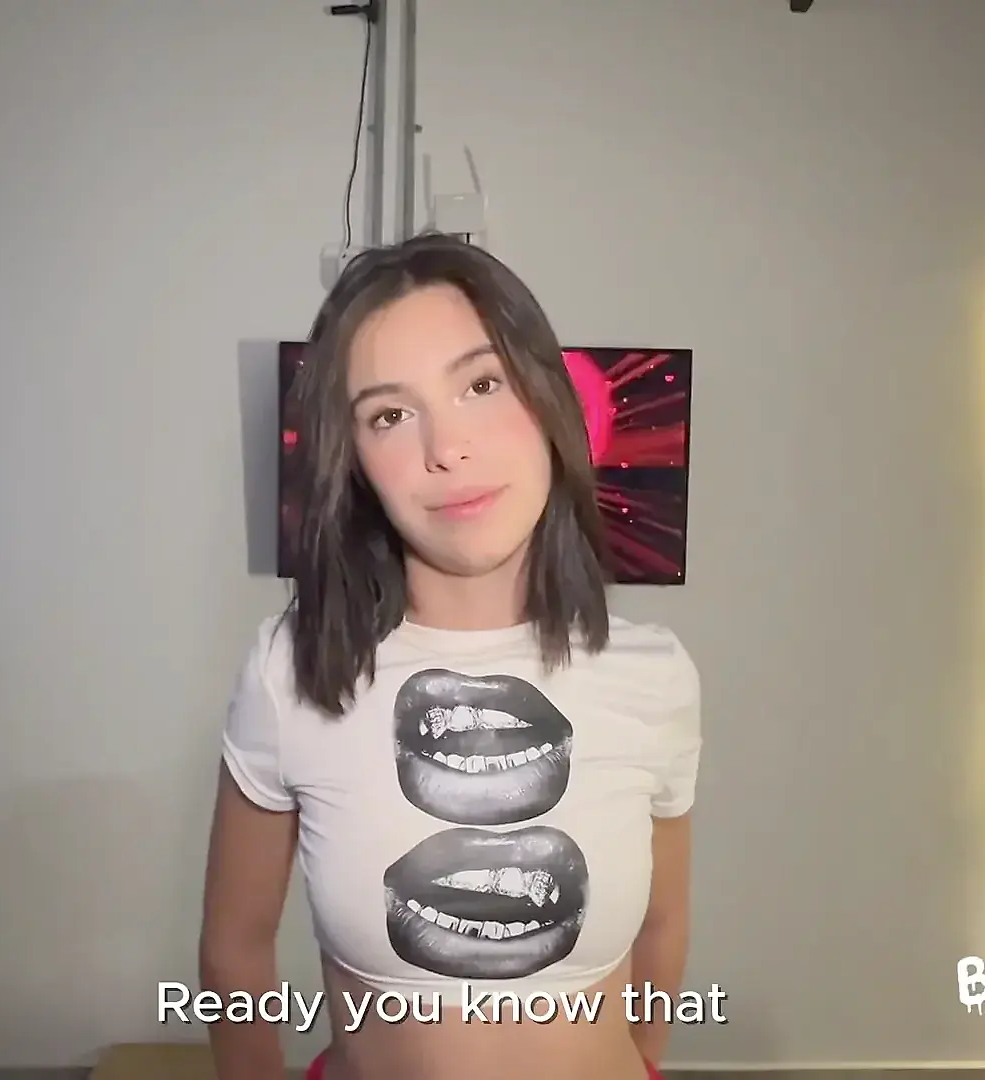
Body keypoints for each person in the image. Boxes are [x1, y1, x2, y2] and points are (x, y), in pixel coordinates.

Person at [198, 233, 702, 1080]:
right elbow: (233, 953)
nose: (447, 448)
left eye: (481, 384)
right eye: (390, 415)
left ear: (547, 400)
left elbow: (662, 932)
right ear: (355, 462)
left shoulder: (657, 674)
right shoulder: (292, 672)